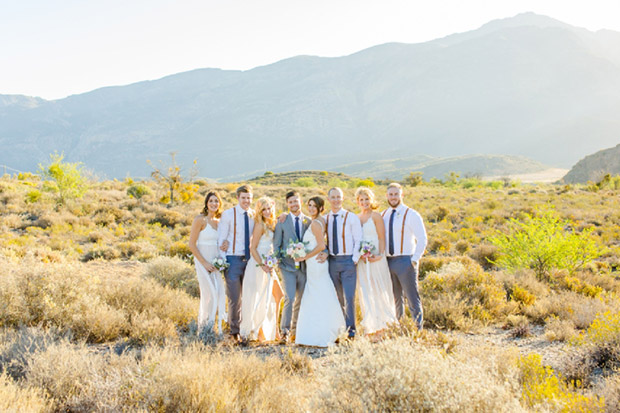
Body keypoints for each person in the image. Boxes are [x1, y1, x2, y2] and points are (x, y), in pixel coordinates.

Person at [294, 196, 345, 347]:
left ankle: (319, 334)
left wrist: (305, 256)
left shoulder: (316, 223)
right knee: (323, 292)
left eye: (314, 206)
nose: (310, 209)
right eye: (309, 205)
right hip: (317, 263)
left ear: (320, 208)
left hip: (315, 263)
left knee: (316, 294)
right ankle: (331, 329)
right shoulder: (322, 220)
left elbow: (321, 245)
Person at [382, 182, 428, 330]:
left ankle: (417, 330)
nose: (393, 197)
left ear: (402, 195)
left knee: (412, 298)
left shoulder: (412, 214)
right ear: (387, 196)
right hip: (388, 261)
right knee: (396, 299)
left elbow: (422, 239)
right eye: (391, 194)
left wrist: (414, 260)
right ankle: (399, 327)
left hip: (405, 260)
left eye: (396, 194)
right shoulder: (384, 214)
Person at [239, 197, 283, 342]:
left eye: (269, 208)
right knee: (258, 297)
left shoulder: (272, 223)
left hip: (269, 264)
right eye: (263, 209)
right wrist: (262, 265)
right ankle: (258, 331)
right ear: (259, 211)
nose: (267, 211)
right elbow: (253, 248)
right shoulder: (259, 225)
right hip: (259, 264)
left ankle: (274, 329)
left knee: (278, 295)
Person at [355, 187, 397, 335]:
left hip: (376, 258)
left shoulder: (376, 216)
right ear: (357, 202)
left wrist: (379, 255)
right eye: (361, 200)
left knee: (379, 289)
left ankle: (384, 326)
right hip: (362, 260)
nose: (364, 202)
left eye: (367, 199)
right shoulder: (357, 218)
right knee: (366, 291)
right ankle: (371, 326)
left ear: (371, 200)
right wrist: (360, 254)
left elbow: (381, 237)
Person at [273, 190, 312, 343]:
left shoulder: (308, 221)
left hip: (303, 267)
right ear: (287, 204)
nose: (294, 204)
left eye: (296, 201)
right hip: (287, 266)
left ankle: (296, 331)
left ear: (300, 202)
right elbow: (276, 244)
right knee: (289, 297)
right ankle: (285, 331)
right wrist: (277, 262)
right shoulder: (282, 221)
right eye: (290, 202)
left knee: (301, 299)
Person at [217, 184, 254, 342]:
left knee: (249, 296)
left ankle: (246, 329)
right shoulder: (228, 214)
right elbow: (221, 239)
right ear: (238, 198)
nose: (246, 201)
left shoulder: (253, 215)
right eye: (243, 198)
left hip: (250, 261)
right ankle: (234, 331)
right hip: (232, 259)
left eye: (249, 198)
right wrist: (224, 261)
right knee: (234, 297)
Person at [324, 187, 363, 338]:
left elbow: (358, 239)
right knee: (337, 297)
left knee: (349, 296)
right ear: (329, 200)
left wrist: (354, 259)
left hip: (348, 261)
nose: (336, 200)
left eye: (338, 197)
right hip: (332, 261)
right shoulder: (326, 218)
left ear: (343, 198)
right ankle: (340, 327)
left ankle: (351, 329)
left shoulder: (351, 217)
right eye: (333, 197)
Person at [188, 191, 227, 333]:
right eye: (211, 201)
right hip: (203, 262)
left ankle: (214, 326)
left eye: (216, 201)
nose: (214, 204)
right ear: (206, 203)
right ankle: (204, 328)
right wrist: (204, 263)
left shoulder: (220, 222)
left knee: (218, 293)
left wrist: (225, 246)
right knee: (208, 294)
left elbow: (222, 242)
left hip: (216, 263)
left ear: (219, 204)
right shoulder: (200, 220)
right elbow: (192, 244)